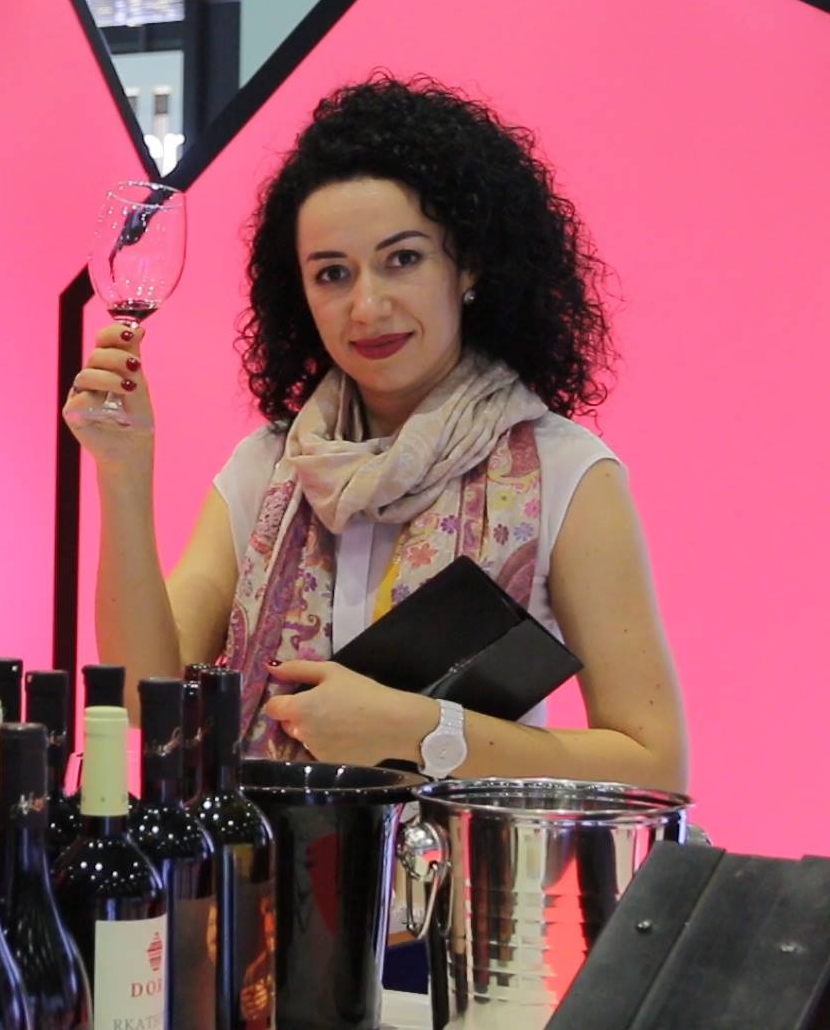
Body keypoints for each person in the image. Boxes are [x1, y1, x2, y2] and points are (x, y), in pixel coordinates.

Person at [68, 75, 686, 792]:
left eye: (403, 259)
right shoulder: (269, 468)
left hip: (459, 866)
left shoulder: (565, 474)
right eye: (333, 274)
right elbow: (147, 695)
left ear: (469, 264)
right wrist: (122, 471)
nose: (367, 306)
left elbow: (656, 764)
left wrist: (418, 730)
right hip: (260, 862)